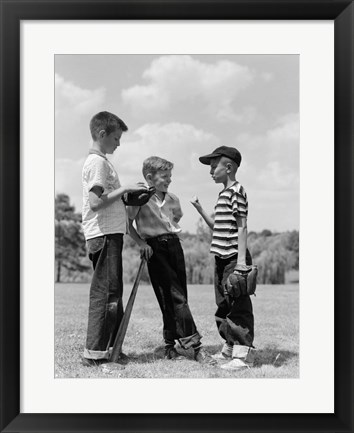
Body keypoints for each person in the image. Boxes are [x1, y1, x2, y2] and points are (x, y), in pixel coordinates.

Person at [127, 156, 215, 365]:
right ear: (150, 177)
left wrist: (168, 234)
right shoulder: (139, 198)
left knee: (177, 295)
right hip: (154, 248)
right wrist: (142, 243)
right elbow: (127, 224)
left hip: (174, 245)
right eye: (165, 176)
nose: (169, 180)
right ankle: (195, 346)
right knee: (175, 297)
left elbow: (176, 218)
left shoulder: (173, 199)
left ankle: (169, 345)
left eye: (170, 176)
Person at [81, 111, 147, 366]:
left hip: (108, 234)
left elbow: (106, 198)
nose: (119, 143)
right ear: (102, 134)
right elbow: (96, 203)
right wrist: (126, 188)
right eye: (116, 138)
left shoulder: (100, 162)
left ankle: (112, 347)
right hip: (104, 234)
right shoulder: (98, 163)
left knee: (112, 293)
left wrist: (131, 197)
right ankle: (95, 354)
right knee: (106, 294)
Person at [191, 146, 256, 370]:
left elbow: (242, 226)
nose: (210, 171)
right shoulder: (223, 194)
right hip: (221, 257)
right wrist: (200, 209)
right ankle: (229, 348)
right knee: (223, 305)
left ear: (228, 168)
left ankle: (243, 355)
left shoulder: (236, 191)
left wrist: (240, 263)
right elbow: (217, 227)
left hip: (233, 258)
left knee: (238, 306)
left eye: (213, 166)